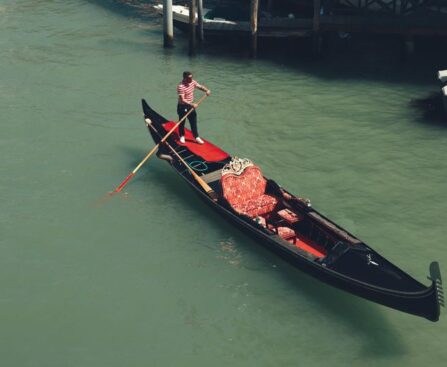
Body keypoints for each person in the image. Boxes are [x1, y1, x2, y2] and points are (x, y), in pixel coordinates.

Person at [177, 71, 211, 144]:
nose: (191, 79)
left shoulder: (192, 82)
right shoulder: (181, 86)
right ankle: (182, 136)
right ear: (185, 78)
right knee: (182, 122)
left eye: (192, 77)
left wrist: (206, 90)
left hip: (191, 105)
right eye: (189, 78)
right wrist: (192, 104)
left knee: (193, 122)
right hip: (182, 106)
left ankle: (196, 137)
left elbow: (200, 86)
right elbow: (182, 99)